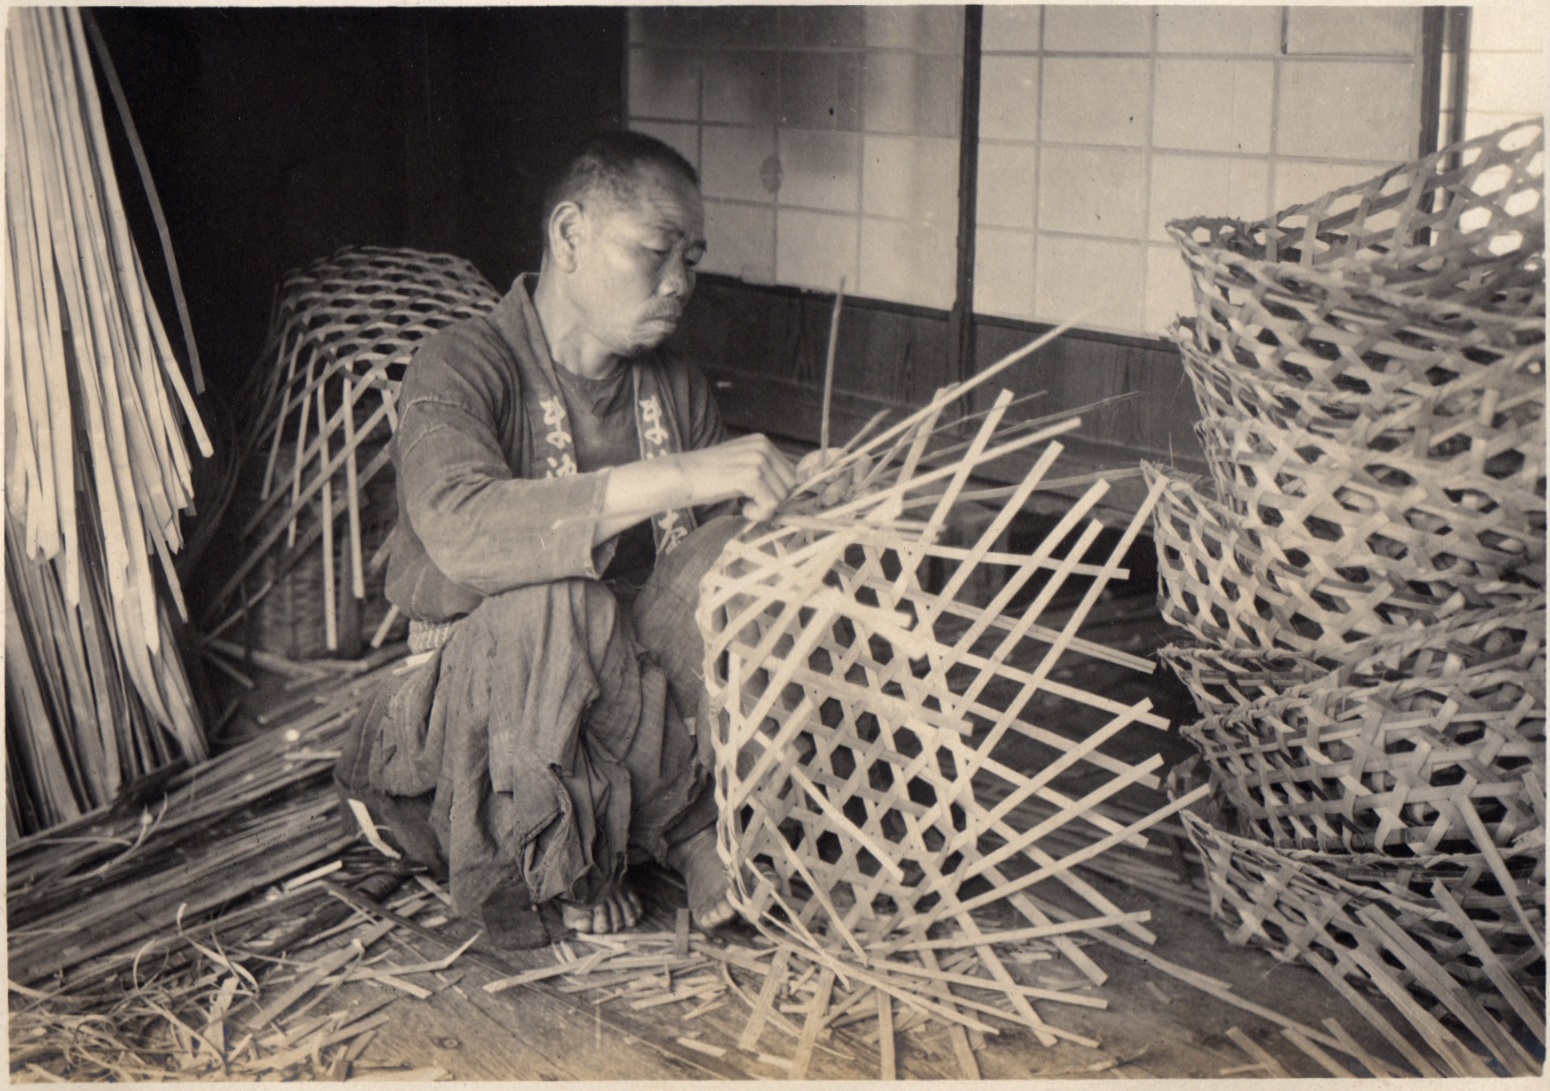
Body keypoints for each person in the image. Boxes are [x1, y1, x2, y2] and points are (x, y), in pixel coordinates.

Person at [335, 131, 801, 936]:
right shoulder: (459, 364)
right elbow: (466, 530)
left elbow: (705, 589)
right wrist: (689, 474)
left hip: (627, 707)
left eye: (690, 257)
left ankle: (665, 824)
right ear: (569, 233)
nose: (679, 282)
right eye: (656, 250)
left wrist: (806, 505)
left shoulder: (676, 386)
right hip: (488, 714)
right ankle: (588, 846)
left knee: (733, 555)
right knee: (554, 593)